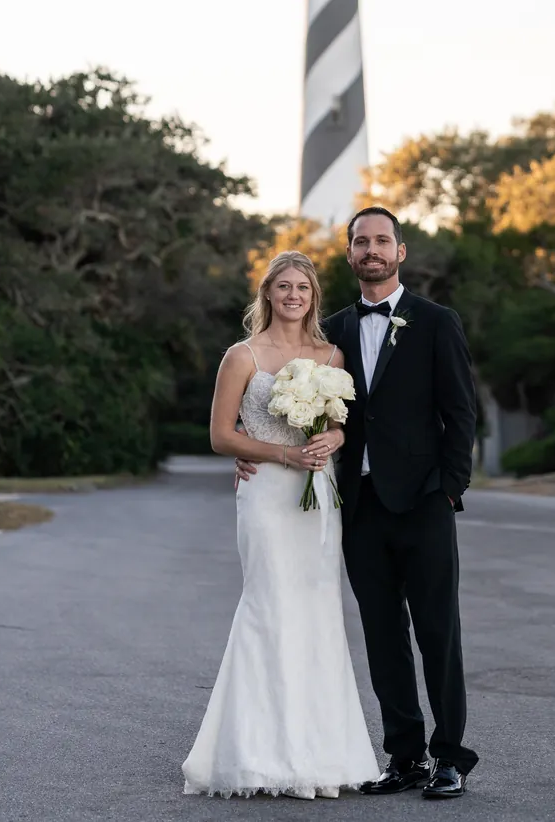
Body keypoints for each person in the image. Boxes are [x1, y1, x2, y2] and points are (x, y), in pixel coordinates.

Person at [237, 206, 480, 799]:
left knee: (438, 631)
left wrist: (450, 488)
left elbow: (461, 412)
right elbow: (285, 408)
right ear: (349, 254)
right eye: (361, 242)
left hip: (424, 502)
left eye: (382, 241)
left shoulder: (436, 322)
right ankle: (405, 755)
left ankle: (450, 756)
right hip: (358, 504)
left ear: (400, 252)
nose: (372, 250)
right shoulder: (332, 333)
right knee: (381, 633)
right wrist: (250, 450)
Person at [183, 251, 379, 799]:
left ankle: (320, 755)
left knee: (317, 611)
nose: (294, 295)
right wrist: (282, 454)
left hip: (320, 495)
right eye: (284, 286)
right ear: (267, 292)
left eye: (303, 288)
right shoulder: (242, 356)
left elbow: (341, 425)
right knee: (268, 607)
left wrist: (334, 438)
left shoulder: (331, 355)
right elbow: (221, 436)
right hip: (268, 494)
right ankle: (257, 755)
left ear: (314, 296)